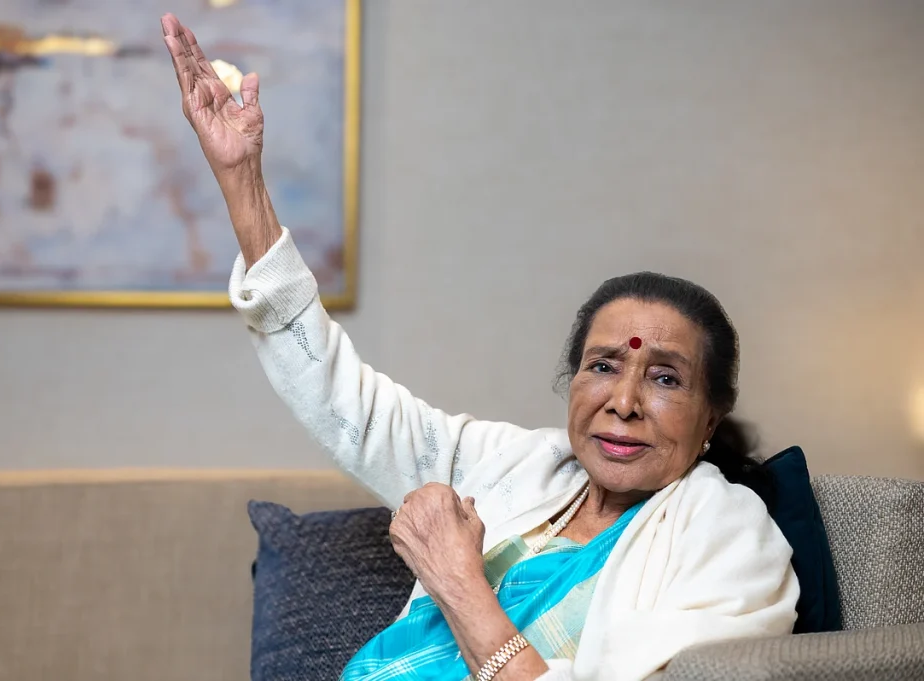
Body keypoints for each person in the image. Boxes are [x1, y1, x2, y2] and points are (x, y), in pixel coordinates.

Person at [160, 14, 799, 681]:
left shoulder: (728, 535)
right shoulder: (518, 466)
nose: (624, 401)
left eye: (665, 378)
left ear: (711, 417)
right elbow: (347, 407)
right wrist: (243, 184)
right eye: (604, 365)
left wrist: (458, 582)